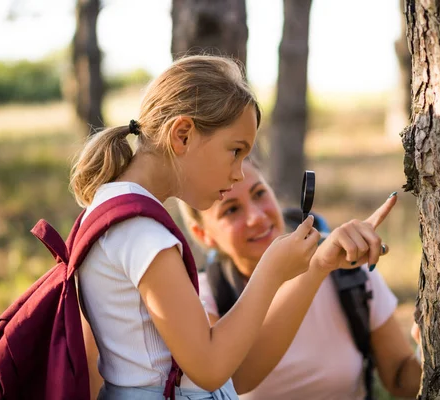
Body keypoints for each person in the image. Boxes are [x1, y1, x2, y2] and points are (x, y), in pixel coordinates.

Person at [73, 55, 380, 400]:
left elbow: (232, 369)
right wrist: (271, 272)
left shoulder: (108, 209)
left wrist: (314, 266)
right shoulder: (142, 233)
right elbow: (210, 369)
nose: (237, 173)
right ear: (183, 135)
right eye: (235, 151)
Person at [180, 158, 422, 399]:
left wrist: (428, 351)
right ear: (202, 234)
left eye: (259, 194)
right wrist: (316, 268)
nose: (256, 217)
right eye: (231, 210)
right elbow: (234, 380)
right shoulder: (204, 298)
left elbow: (401, 380)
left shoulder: (348, 268)